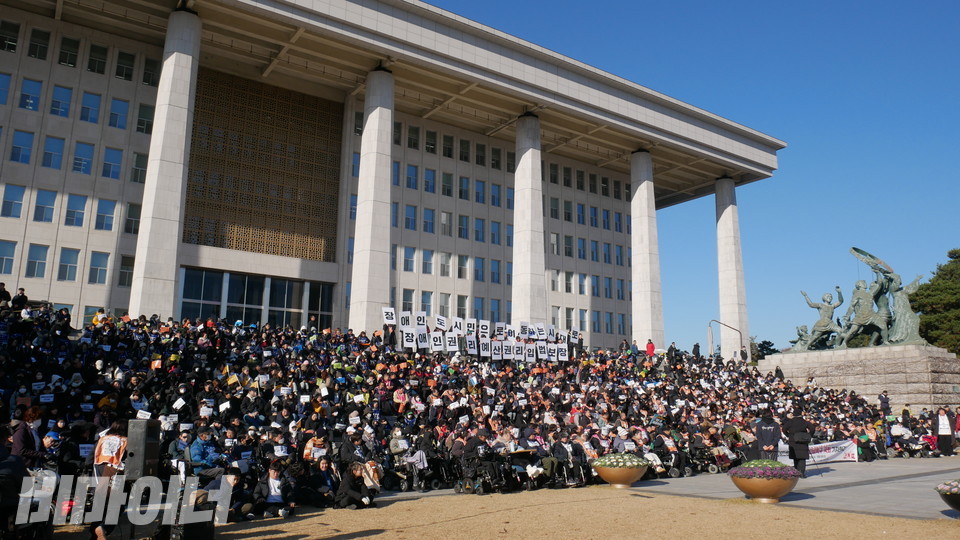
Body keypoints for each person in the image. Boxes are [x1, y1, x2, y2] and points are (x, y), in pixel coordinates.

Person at [782, 410, 814, 478]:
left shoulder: (790, 422)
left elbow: (784, 429)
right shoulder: (804, 422)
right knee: (802, 458)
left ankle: (796, 472)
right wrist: (808, 436)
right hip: (803, 441)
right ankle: (802, 473)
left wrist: (788, 435)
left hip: (793, 440)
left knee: (795, 457)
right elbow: (812, 428)